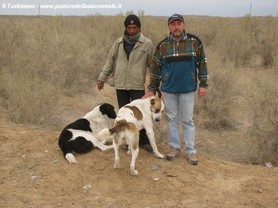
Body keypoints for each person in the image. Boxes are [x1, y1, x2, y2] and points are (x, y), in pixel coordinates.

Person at [143, 14, 209, 165]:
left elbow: (202, 63)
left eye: (179, 23)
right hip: (168, 89)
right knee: (172, 119)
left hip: (188, 89)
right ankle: (174, 147)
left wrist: (203, 84)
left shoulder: (194, 42)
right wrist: (152, 88)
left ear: (184, 25)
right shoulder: (162, 46)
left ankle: (191, 151)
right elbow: (155, 69)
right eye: (173, 24)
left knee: (187, 120)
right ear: (169, 27)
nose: (176, 27)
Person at [97, 14, 154, 152]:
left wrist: (153, 87)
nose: (132, 30)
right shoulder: (118, 43)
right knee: (124, 115)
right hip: (121, 85)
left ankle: (145, 142)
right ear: (126, 28)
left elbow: (153, 66)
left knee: (140, 116)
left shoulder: (147, 44)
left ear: (139, 28)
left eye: (135, 27)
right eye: (129, 27)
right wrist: (102, 78)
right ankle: (128, 141)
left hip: (137, 86)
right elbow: (110, 61)